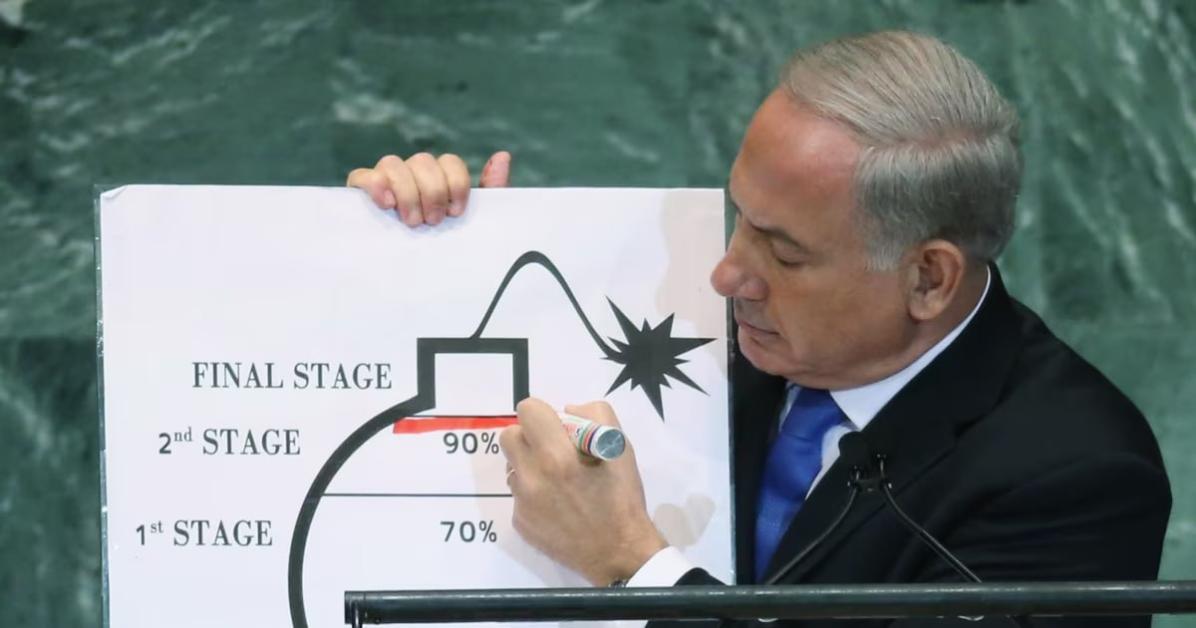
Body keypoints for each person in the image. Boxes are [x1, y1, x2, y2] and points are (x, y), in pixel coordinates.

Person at [347, 31, 1171, 627]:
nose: (727, 273)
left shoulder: (1077, 477)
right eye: (740, 215)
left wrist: (632, 565)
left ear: (928, 278)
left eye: (784, 253)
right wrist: (437, 253)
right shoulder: (704, 319)